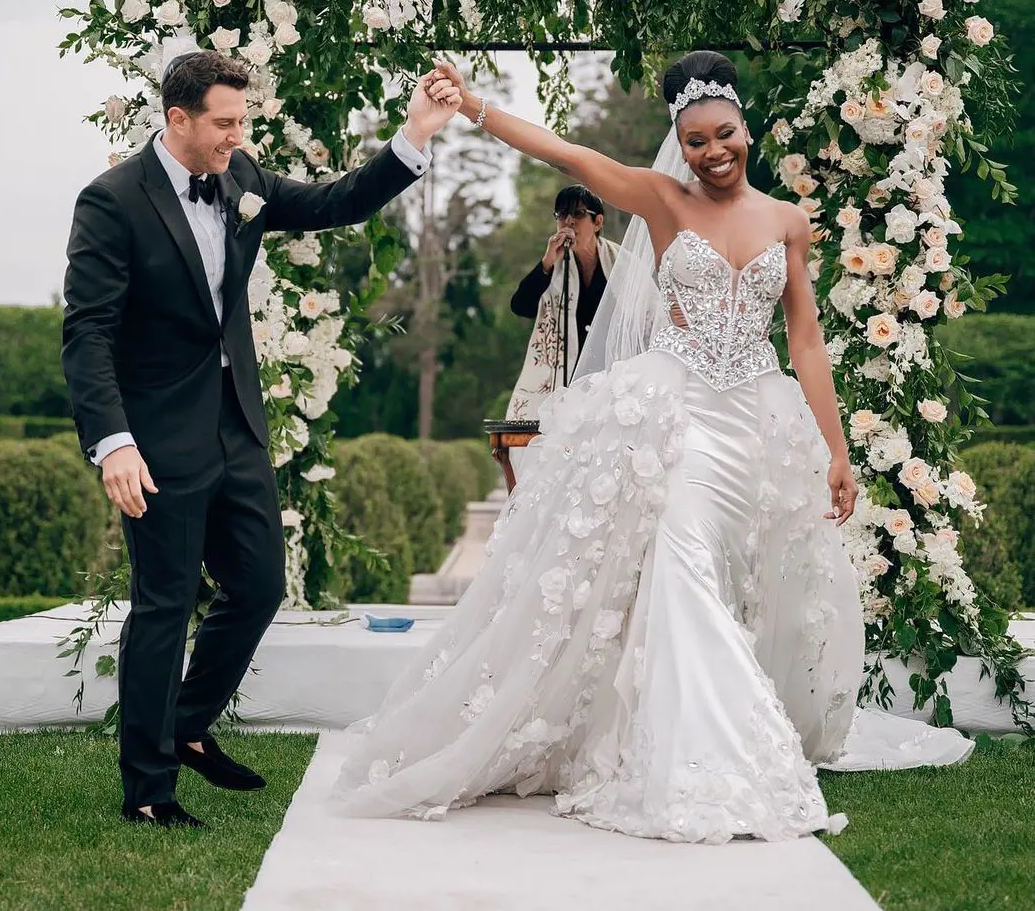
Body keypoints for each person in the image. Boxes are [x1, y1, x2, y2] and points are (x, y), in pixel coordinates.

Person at [329, 51, 971, 842]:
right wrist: (472, 107)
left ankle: (714, 722)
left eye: (724, 135)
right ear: (680, 142)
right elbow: (567, 154)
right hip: (684, 415)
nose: (713, 152)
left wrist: (836, 451)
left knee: (750, 577)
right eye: (695, 140)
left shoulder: (788, 222)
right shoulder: (662, 200)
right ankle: (706, 757)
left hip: (761, 420)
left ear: (746, 129)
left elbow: (804, 339)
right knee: (683, 567)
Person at [61, 49, 461, 828]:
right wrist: (114, 442)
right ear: (176, 119)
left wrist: (415, 135)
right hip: (157, 439)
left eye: (242, 121)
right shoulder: (111, 202)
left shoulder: (241, 180)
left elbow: (335, 201)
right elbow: (88, 334)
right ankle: (148, 789)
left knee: (258, 587)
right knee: (163, 605)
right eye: (224, 122)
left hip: (237, 426)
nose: (237, 136)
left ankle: (186, 726)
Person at [506, 185, 620, 420]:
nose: (568, 222)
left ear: (597, 222)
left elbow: (648, 316)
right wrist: (547, 262)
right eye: (561, 215)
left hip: (613, 382)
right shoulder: (556, 266)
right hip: (566, 383)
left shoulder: (621, 263)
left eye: (578, 214)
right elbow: (521, 306)